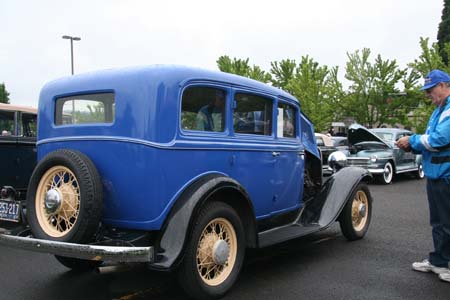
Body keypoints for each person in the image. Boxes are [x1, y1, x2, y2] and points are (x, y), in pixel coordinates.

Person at [396, 69, 450, 283]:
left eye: (431, 89)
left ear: (445, 85)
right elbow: (431, 142)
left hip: (447, 176)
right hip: (437, 175)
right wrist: (412, 146)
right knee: (438, 222)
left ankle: (446, 262)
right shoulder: (440, 110)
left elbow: (439, 139)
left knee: (447, 222)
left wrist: (413, 140)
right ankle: (439, 261)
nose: (428, 95)